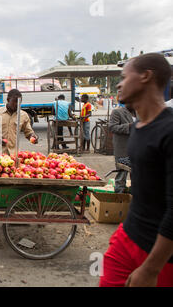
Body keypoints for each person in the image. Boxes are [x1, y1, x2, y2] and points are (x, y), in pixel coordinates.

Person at [99, 53, 173, 287]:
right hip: (127, 236)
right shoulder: (138, 127)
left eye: (123, 77)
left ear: (145, 76)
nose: (119, 84)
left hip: (160, 253)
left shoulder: (169, 132)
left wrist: (151, 269)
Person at [0, 89, 38, 155]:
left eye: (19, 102)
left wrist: (33, 137)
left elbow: (29, 132)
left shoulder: (23, 115)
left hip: (14, 155)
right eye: (14, 101)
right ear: (8, 100)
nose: (17, 104)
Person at [108, 99, 134, 193]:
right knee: (121, 176)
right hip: (123, 148)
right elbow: (112, 127)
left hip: (137, 149)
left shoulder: (140, 113)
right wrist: (129, 126)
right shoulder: (117, 112)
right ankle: (119, 199)